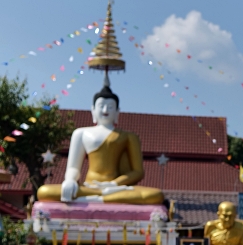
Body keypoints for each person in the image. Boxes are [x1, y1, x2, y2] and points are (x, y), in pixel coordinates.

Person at [36, 83, 164, 204]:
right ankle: (106, 198)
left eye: (110, 107)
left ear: (117, 112)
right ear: (93, 110)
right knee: (44, 191)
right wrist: (70, 180)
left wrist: (114, 184)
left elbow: (137, 172)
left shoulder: (129, 137)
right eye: (101, 105)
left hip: (117, 188)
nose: (105, 109)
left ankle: (98, 200)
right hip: (89, 187)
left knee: (155, 195)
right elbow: (73, 167)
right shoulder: (81, 133)